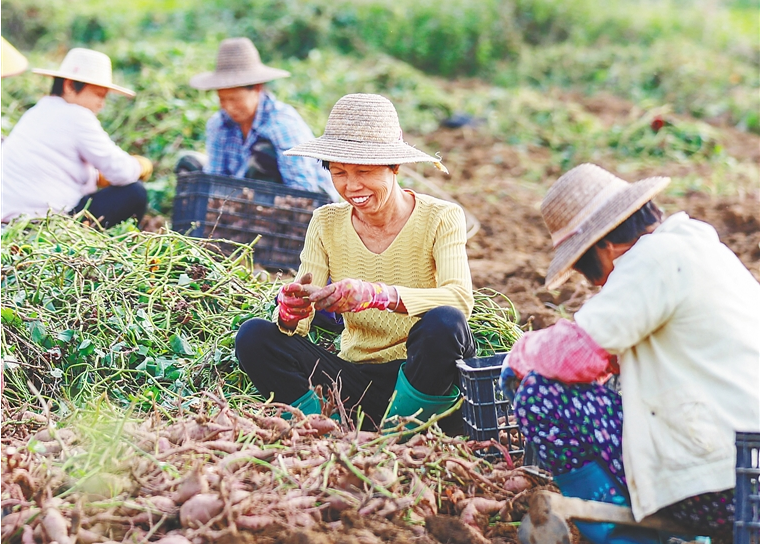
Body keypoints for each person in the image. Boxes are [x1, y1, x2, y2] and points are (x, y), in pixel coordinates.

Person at [500, 163, 759, 542]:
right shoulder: (698, 246)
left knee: (541, 396)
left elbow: (573, 356)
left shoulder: (649, 261)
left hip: (722, 487)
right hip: (746, 478)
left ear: (604, 247)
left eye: (588, 269)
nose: (598, 282)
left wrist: (519, 356)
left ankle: (624, 538)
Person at [235, 93, 474, 432]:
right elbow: (297, 324)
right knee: (255, 337)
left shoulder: (441, 217)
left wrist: (378, 295)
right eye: (339, 172)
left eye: (364, 171)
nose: (352, 186)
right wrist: (292, 312)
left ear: (395, 167)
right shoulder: (326, 222)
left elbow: (461, 300)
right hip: (356, 379)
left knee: (445, 324)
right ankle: (327, 430)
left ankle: (401, 434)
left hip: (423, 374)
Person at [2, 48, 153, 228]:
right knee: (134, 192)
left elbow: (59, 165)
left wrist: (97, 177)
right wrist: (141, 166)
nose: (101, 104)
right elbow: (121, 172)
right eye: (98, 95)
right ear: (69, 86)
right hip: (49, 222)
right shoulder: (77, 116)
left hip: (11, 221)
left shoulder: (36, 112)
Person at [187, 37, 339, 201]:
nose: (229, 107)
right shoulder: (218, 124)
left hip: (304, 199)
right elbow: (215, 177)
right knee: (188, 164)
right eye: (223, 100)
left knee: (262, 153)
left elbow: (302, 187)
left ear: (257, 89)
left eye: (235, 100)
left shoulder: (282, 124)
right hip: (242, 198)